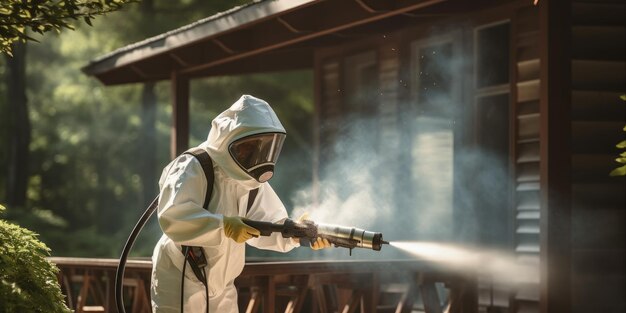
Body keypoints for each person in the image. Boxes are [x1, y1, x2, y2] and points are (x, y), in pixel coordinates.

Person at [150, 95, 330, 313]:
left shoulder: (249, 180)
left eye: (265, 146)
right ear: (231, 140)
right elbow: (173, 217)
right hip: (181, 277)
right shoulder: (193, 165)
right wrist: (222, 225)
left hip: (223, 283)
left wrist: (297, 234)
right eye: (251, 146)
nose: (257, 154)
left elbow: (269, 224)